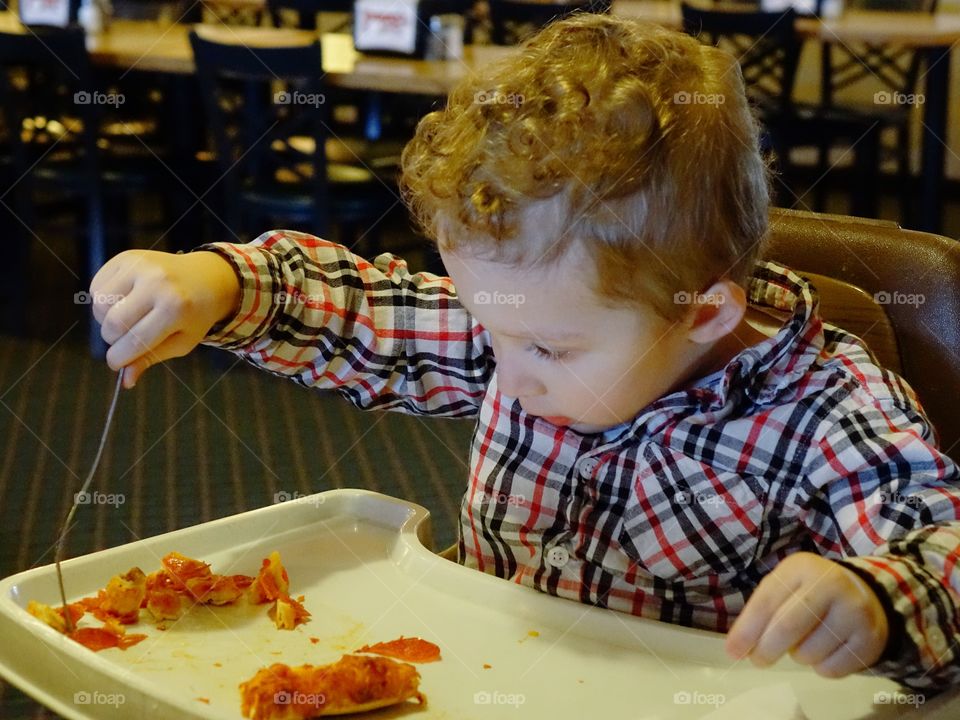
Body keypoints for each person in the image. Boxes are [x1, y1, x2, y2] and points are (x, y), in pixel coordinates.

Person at [90, 14, 960, 689]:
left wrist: (879, 600)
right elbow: (370, 316)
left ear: (701, 314)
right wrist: (223, 285)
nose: (505, 370)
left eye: (546, 344)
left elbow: (940, 541)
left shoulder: (825, 407)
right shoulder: (519, 330)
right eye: (492, 323)